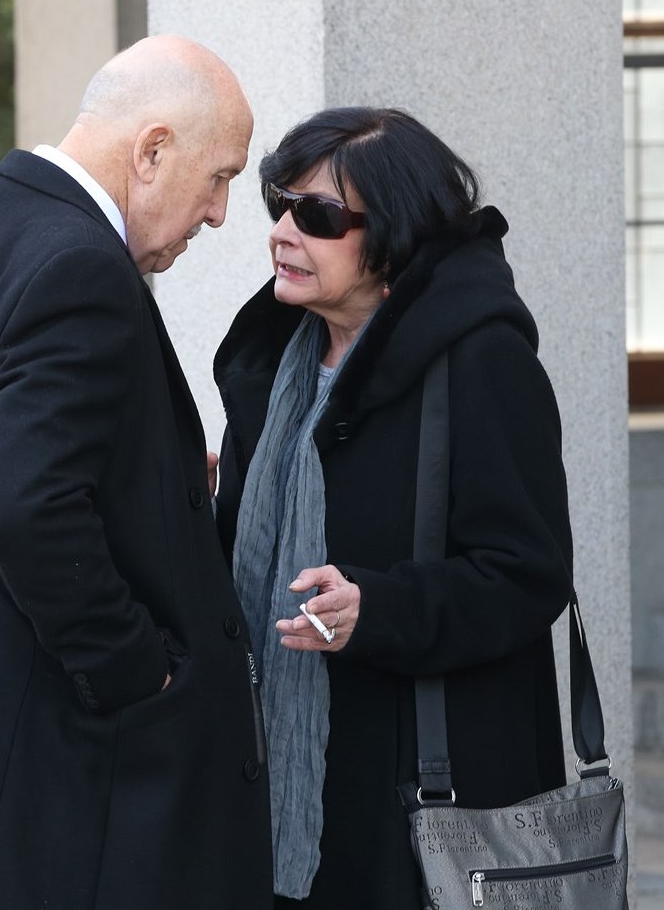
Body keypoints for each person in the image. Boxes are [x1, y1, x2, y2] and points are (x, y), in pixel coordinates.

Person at [0, 34, 272, 909]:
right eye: (218, 177)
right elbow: (27, 509)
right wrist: (139, 671)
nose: (219, 213)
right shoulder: (79, 262)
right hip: (66, 777)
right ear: (151, 150)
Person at [213, 107, 574, 907]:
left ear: (394, 233)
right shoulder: (271, 364)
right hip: (273, 780)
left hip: (421, 795)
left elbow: (529, 572)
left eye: (317, 215)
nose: (282, 232)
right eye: (279, 205)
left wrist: (377, 609)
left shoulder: (480, 361)